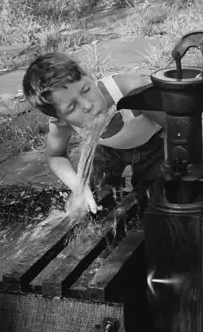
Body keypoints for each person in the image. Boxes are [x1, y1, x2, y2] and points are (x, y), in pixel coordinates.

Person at [22, 53, 166, 214]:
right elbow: (55, 156)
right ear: (59, 117)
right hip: (107, 149)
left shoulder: (129, 90)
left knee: (157, 194)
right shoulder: (61, 124)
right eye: (71, 107)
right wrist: (79, 187)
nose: (87, 105)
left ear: (90, 77)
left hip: (155, 142)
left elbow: (178, 127)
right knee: (90, 197)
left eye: (86, 89)